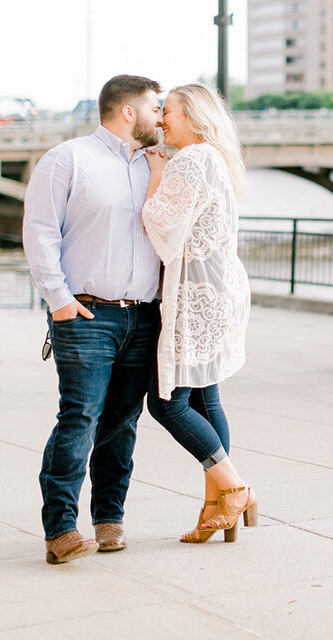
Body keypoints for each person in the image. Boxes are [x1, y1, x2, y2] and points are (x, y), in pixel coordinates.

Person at [22, 74, 164, 564]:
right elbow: (40, 231)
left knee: (123, 423)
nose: (161, 116)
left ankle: (109, 520)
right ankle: (61, 529)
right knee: (79, 418)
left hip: (144, 317)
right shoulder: (68, 159)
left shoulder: (156, 165)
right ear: (128, 111)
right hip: (86, 314)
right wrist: (58, 300)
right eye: (154, 107)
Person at [141, 82, 255, 543]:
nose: (162, 120)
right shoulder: (216, 158)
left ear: (193, 116)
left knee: (166, 402)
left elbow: (162, 225)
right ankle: (215, 506)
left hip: (195, 298)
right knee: (206, 400)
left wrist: (153, 174)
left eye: (168, 111)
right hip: (217, 293)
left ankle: (235, 488)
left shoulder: (189, 160)